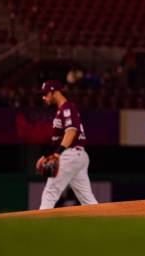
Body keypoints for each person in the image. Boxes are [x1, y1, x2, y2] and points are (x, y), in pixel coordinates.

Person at [35, 80, 98, 209]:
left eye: (46, 93)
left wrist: (57, 154)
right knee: (88, 200)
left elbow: (71, 131)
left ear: (54, 92)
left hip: (70, 155)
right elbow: (56, 141)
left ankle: (40, 225)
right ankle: (105, 222)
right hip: (79, 156)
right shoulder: (61, 111)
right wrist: (44, 156)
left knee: (50, 192)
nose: (44, 97)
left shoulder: (67, 107)